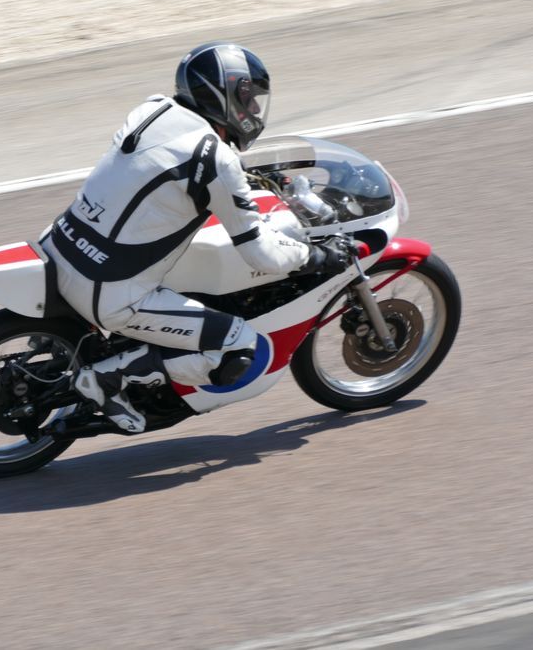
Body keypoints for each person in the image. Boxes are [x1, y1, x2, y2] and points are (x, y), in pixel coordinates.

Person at [41, 42, 349, 433]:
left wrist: (246, 179)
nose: (254, 109)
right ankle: (108, 378)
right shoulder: (215, 159)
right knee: (240, 348)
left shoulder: (153, 110)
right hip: (109, 292)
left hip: (62, 246)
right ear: (225, 94)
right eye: (248, 98)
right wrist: (315, 256)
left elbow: (165, 170)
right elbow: (261, 255)